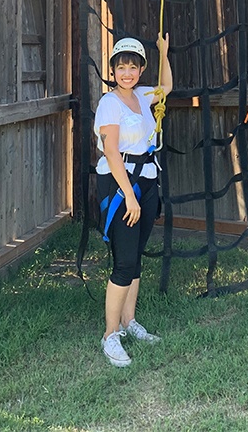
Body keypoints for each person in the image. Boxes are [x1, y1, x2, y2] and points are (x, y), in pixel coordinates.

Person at [94, 34, 173, 367]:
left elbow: (166, 87)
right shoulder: (108, 103)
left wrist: (164, 53)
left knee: (136, 257)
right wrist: (129, 195)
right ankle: (110, 334)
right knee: (124, 262)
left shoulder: (142, 95)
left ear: (141, 70)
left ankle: (129, 322)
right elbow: (111, 151)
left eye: (133, 67)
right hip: (120, 185)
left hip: (147, 180)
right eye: (121, 66)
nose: (127, 73)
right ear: (113, 69)